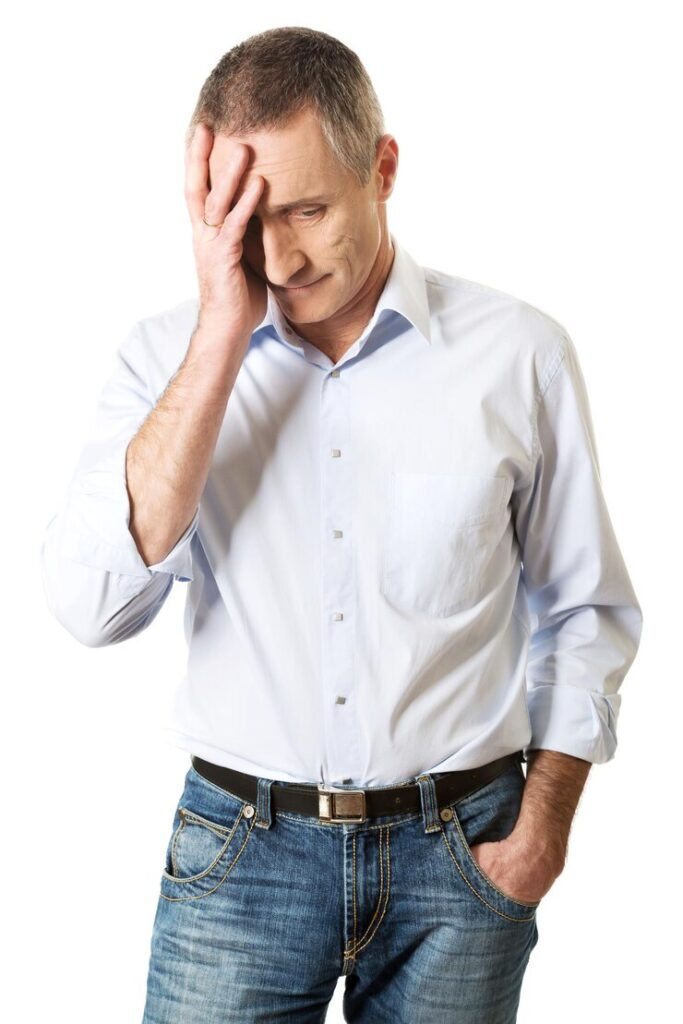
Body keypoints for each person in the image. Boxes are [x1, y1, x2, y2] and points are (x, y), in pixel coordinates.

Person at [40, 25, 643, 1024]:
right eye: (248, 221)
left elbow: (584, 610)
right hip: (241, 855)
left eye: (308, 210)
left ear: (383, 168)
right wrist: (221, 334)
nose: (278, 257)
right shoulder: (167, 361)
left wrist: (541, 830)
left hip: (462, 859)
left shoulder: (517, 355)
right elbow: (93, 606)